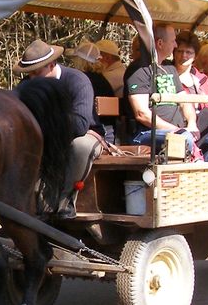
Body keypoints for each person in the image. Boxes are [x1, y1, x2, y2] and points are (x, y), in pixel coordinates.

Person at [14, 39, 102, 218]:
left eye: (37, 73)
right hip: (46, 135)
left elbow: (79, 125)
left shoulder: (77, 81)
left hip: (83, 135)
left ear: (52, 64)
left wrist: (43, 121)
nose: (32, 79)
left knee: (80, 146)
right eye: (29, 74)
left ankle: (65, 199)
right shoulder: (25, 86)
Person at [123, 25, 197, 158]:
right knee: (184, 138)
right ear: (160, 43)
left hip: (179, 129)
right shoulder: (139, 69)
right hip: (147, 133)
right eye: (173, 41)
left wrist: (192, 124)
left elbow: (184, 101)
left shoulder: (169, 67)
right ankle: (184, 175)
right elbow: (141, 114)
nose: (175, 45)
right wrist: (176, 130)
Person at [171, 31, 208, 161]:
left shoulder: (201, 79)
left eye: (189, 52)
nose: (184, 56)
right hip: (179, 126)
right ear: (174, 52)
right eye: (180, 51)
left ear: (195, 56)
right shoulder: (167, 75)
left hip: (202, 127)